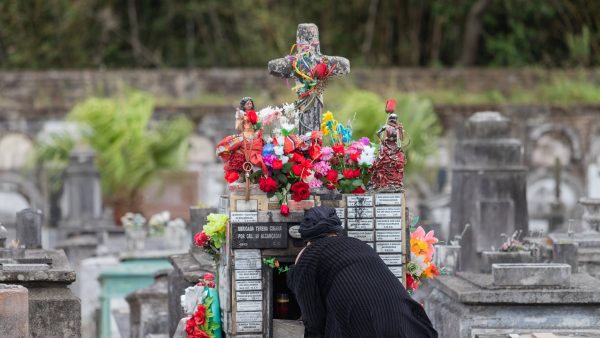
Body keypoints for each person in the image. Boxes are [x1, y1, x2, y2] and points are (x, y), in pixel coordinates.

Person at [286, 206, 438, 338]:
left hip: (362, 325)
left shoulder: (309, 255)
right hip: (405, 322)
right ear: (336, 230)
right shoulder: (359, 244)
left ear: (307, 239)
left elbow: (313, 320)